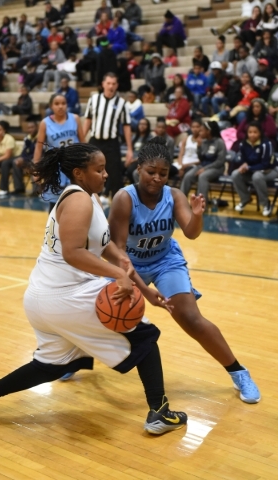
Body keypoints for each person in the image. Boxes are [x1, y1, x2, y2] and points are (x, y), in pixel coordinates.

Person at [0, 141, 188, 436]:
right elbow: (73, 252)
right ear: (79, 173)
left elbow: (103, 245)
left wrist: (137, 282)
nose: (106, 174)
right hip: (65, 294)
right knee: (143, 335)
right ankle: (160, 411)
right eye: (100, 169)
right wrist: (117, 276)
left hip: (43, 299)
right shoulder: (79, 200)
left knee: (51, 364)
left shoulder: (87, 198)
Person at [108, 137, 261, 404]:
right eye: (151, 172)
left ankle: (239, 372)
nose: (157, 178)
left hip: (166, 260)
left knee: (190, 318)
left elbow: (191, 233)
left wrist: (198, 214)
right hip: (130, 265)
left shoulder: (174, 195)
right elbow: (118, 251)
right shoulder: (124, 198)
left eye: (163, 174)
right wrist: (142, 289)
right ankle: (75, 358)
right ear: (139, 169)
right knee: (101, 311)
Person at [84, 73, 133, 198]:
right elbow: (88, 121)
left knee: (115, 175)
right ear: (103, 84)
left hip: (112, 143)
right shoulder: (94, 100)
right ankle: (90, 201)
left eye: (113, 84)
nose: (111, 86)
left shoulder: (122, 103)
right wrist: (81, 139)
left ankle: (117, 207)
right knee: (90, 172)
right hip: (95, 141)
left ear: (117, 86)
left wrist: (129, 149)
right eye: (108, 83)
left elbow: (126, 126)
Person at [33, 93, 84, 210]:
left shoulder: (75, 118)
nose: (60, 106)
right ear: (51, 106)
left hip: (74, 165)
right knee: (55, 205)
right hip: (55, 167)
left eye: (63, 103)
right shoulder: (45, 123)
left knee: (75, 202)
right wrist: (36, 169)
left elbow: (83, 143)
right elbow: (39, 146)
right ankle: (53, 228)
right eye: (57, 104)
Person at [232, 121, 278, 215]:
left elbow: (265, 164)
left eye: (255, 132)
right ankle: (245, 198)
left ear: (260, 132)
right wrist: (244, 164)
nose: (252, 135)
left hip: (271, 170)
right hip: (253, 170)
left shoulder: (266, 144)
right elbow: (242, 159)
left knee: (257, 176)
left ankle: (266, 204)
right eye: (250, 132)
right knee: (235, 174)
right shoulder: (243, 144)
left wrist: (248, 167)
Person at [180, 121, 226, 204]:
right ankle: (180, 202)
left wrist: (205, 169)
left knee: (202, 176)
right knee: (188, 176)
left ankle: (201, 205)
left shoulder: (220, 142)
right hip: (203, 166)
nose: (199, 132)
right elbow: (201, 159)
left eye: (202, 130)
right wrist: (199, 147)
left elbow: (220, 161)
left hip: (216, 168)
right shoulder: (204, 142)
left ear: (208, 131)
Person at [13, 120, 39, 194]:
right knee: (16, 162)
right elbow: (24, 151)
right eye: (28, 128)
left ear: (37, 127)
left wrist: (26, 159)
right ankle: (19, 188)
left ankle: (36, 191)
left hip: (39, 158)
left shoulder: (41, 137)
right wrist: (21, 158)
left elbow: (41, 152)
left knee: (34, 163)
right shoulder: (27, 138)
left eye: (32, 127)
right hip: (29, 159)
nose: (30, 129)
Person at [125, 118, 153, 183]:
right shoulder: (134, 137)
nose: (142, 126)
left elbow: (147, 154)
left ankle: (135, 187)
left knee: (130, 171)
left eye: (144, 124)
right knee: (119, 167)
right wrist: (128, 159)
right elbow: (130, 150)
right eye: (140, 124)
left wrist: (133, 160)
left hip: (142, 161)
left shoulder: (150, 138)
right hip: (132, 159)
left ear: (148, 126)